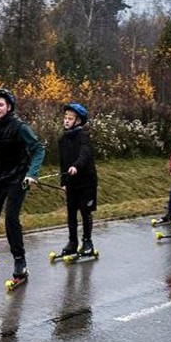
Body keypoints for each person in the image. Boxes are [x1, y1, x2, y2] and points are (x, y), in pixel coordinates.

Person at [0, 88, 46, 282]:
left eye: (0, 104)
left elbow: (38, 149)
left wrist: (32, 173)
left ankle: (19, 260)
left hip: (18, 177)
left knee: (11, 218)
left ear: (9, 107)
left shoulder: (20, 127)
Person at [58, 102, 98, 257]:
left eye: (70, 118)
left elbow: (85, 154)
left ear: (78, 121)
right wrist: (63, 182)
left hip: (86, 182)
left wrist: (76, 166)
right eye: (65, 118)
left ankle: (88, 242)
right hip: (72, 183)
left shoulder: (83, 136)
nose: (66, 120)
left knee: (85, 212)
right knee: (71, 213)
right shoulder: (63, 139)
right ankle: (72, 242)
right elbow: (63, 162)